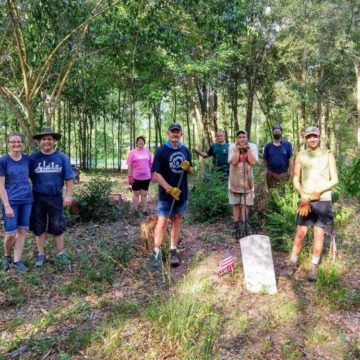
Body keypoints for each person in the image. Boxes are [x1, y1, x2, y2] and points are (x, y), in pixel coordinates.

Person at [287, 126, 338, 282]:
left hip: (322, 201)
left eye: (314, 136)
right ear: (305, 138)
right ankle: (293, 263)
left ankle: (314, 267)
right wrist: (303, 194)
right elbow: (295, 178)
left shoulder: (328, 155)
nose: (312, 139)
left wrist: (319, 191)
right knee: (300, 234)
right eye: (309, 136)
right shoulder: (301, 155)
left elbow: (335, 179)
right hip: (305, 201)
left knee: (318, 236)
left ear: (319, 136)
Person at [148, 123, 193, 271]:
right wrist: (168, 188)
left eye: (177, 132)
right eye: (172, 132)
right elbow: (155, 173)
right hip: (166, 195)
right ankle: (156, 253)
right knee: (162, 222)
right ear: (168, 133)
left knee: (177, 220)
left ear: (181, 134)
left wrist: (189, 168)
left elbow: (191, 169)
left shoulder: (185, 150)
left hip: (182, 192)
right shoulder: (161, 151)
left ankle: (173, 250)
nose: (175, 134)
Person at [29, 128, 74, 267]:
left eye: (49, 139)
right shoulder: (33, 158)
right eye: (43, 139)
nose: (46, 141)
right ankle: (41, 254)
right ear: (39, 141)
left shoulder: (62, 157)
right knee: (38, 226)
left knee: (57, 225)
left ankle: (60, 253)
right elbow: (23, 176)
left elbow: (69, 178)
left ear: (54, 141)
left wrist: (68, 195)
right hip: (37, 197)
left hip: (55, 197)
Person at [0, 133, 33, 272]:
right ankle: (6, 256)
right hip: (11, 201)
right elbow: (0, 186)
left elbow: (33, 176)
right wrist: (6, 205)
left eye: (19, 141)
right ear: (8, 143)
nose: (16, 144)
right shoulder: (3, 161)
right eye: (13, 142)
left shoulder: (27, 159)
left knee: (22, 231)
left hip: (26, 200)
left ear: (22, 143)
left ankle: (17, 260)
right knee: (10, 234)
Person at [228, 129, 258, 239]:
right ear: (236, 138)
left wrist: (247, 150)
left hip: (248, 182)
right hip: (234, 181)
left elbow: (253, 162)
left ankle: (244, 223)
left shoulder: (252, 146)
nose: (242, 139)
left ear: (247, 138)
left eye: (244, 137)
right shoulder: (232, 147)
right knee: (235, 203)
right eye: (239, 137)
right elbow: (234, 162)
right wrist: (237, 150)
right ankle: (236, 224)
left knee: (246, 204)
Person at [127, 136, 152, 215]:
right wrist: (129, 176)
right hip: (135, 177)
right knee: (136, 194)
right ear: (137, 143)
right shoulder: (132, 152)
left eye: (142, 141)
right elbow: (130, 165)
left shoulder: (148, 152)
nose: (141, 142)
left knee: (144, 194)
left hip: (146, 177)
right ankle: (135, 211)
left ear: (144, 143)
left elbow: (151, 164)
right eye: (139, 141)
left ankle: (144, 210)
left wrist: (152, 174)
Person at [263, 124, 293, 188]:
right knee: (271, 193)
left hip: (283, 174)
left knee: (283, 193)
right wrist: (267, 171)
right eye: (275, 131)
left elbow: (290, 160)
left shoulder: (288, 144)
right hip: (271, 174)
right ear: (272, 132)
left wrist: (291, 174)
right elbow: (265, 160)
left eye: (278, 131)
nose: (277, 133)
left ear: (281, 132)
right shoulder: (268, 146)